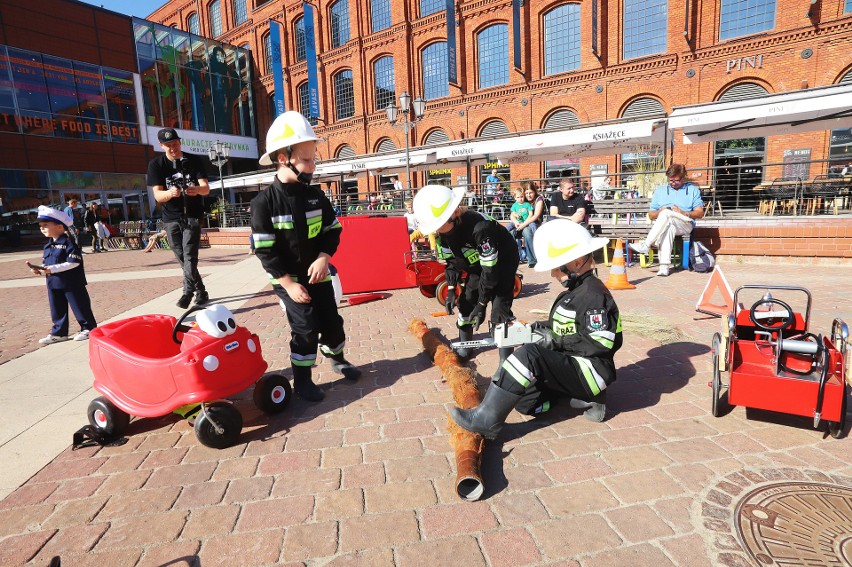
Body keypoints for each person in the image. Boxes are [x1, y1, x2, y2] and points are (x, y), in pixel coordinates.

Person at [450, 220, 622, 439]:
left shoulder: (593, 296)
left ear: (577, 262)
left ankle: (486, 421)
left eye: (556, 267)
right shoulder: (576, 291)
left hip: (591, 370)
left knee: (530, 355)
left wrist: (552, 340)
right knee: (523, 399)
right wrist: (529, 330)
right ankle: (585, 400)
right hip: (571, 366)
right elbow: (562, 327)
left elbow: (599, 342)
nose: (552, 274)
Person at [251, 111, 361, 402]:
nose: (313, 165)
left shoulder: (316, 197)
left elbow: (332, 231)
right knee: (305, 328)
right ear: (284, 158)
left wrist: (324, 257)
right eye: (307, 159)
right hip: (288, 280)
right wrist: (287, 284)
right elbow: (265, 250)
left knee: (333, 323)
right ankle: (303, 380)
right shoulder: (264, 204)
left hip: (318, 274)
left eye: (314, 158)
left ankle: (337, 358)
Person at [413, 184, 520, 376]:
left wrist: (482, 304)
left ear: (454, 213)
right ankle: (466, 346)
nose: (436, 230)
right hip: (476, 262)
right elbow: (452, 263)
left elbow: (491, 271)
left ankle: (505, 360)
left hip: (502, 261)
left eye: (439, 224)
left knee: (499, 306)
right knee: (467, 301)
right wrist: (452, 289)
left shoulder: (480, 228)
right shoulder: (442, 235)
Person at [147, 127, 211, 308]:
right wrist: (170, 193)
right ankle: (201, 291)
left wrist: (196, 190)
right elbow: (158, 196)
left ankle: (187, 293)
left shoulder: (194, 160)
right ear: (161, 145)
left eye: (175, 143)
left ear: (180, 141)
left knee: (190, 255)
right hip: (171, 218)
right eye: (168, 145)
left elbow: (206, 189)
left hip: (192, 215)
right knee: (181, 256)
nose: (173, 147)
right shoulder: (156, 165)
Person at [29, 206, 97, 344]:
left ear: (60, 227)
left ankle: (88, 328)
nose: (42, 228)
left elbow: (74, 262)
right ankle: (59, 332)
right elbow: (47, 264)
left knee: (79, 305)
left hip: (71, 282)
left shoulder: (68, 243)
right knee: (57, 308)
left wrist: (51, 269)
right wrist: (41, 270)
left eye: (45, 225)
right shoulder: (48, 245)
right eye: (40, 226)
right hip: (54, 282)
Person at [628, 163, 704, 277]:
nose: (672, 183)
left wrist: (683, 212)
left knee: (666, 214)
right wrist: (660, 211)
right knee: (669, 227)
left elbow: (700, 213)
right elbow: (651, 215)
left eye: (676, 180)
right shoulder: (660, 191)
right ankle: (664, 267)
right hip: (667, 222)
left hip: (685, 223)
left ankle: (646, 245)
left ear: (683, 178)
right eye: (670, 180)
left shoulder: (692, 190)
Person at [517, 181, 546, 269]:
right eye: (526, 193)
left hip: (536, 224)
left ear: (535, 192)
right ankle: (510, 257)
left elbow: (535, 216)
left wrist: (523, 225)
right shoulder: (523, 201)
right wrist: (516, 222)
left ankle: (536, 258)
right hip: (524, 224)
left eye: (531, 193)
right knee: (516, 231)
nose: (528, 195)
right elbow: (514, 212)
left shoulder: (539, 199)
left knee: (527, 231)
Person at [506, 188, 531, 263]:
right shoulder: (514, 205)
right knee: (508, 227)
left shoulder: (527, 204)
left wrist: (523, 223)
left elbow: (531, 214)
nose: (520, 199)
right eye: (518, 197)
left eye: (522, 197)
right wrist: (516, 220)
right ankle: (502, 235)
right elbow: (512, 214)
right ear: (515, 198)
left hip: (524, 223)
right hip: (516, 222)